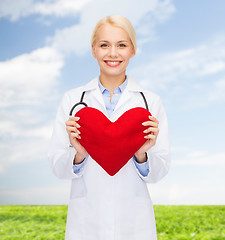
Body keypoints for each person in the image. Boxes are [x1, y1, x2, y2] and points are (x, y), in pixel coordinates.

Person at [48, 15, 171, 240]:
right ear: (93, 50)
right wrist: (79, 152)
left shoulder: (150, 102)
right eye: (104, 45)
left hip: (134, 224)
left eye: (121, 45)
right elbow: (57, 166)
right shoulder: (72, 100)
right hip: (86, 223)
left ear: (133, 50)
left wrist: (141, 153)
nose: (113, 53)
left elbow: (160, 170)